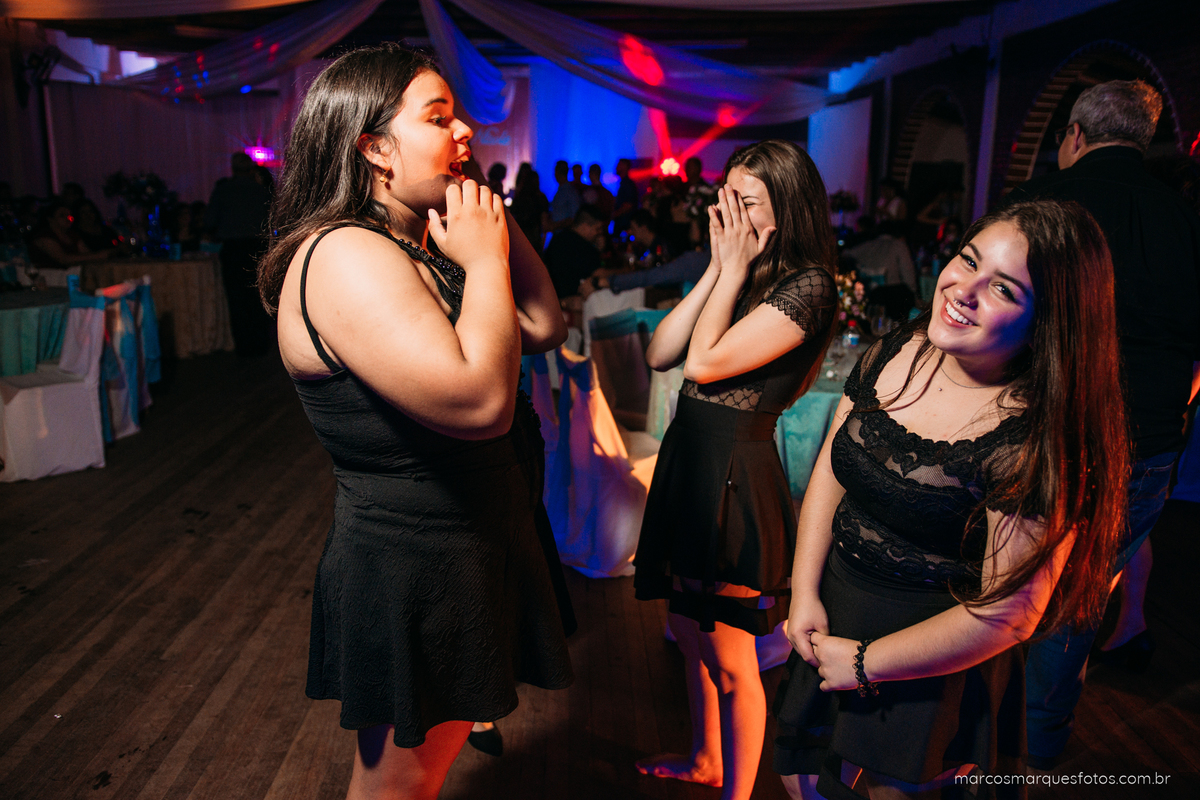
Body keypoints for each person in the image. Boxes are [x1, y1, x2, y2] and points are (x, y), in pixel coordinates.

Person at [256, 43, 573, 800]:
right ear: (375, 148)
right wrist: (485, 261)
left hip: (466, 543)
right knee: (397, 788)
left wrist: (490, 222)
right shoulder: (344, 253)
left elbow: (542, 323)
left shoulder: (415, 246)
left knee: (419, 776)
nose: (465, 131)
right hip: (417, 561)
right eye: (438, 118)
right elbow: (480, 405)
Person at [771, 199, 1129, 799]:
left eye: (1004, 289)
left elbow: (1010, 613)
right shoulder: (899, 350)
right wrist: (804, 590)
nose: (964, 290)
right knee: (798, 774)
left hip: (928, 661)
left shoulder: (1032, 439)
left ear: (1048, 323)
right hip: (833, 616)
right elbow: (832, 471)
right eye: (968, 260)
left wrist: (864, 663)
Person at [1002, 78, 1200, 768]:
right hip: (1146, 443)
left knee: (1000, 589)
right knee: (1079, 602)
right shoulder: (1186, 221)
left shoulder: (1037, 206)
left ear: (1075, 136)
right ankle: (1036, 753)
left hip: (1037, 433)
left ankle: (976, 742)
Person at [633, 140, 838, 800]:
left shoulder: (809, 286)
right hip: (690, 463)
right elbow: (662, 352)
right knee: (690, 633)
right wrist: (721, 270)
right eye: (727, 198)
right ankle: (706, 760)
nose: (728, 214)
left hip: (732, 473)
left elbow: (704, 363)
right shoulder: (741, 274)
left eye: (746, 202)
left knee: (730, 657)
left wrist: (729, 271)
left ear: (787, 207)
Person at [204, 152, 273, 356]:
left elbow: (210, 221)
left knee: (236, 299)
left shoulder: (223, 190)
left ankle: (243, 346)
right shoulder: (261, 191)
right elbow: (272, 220)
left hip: (233, 249)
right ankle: (260, 344)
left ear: (233, 169)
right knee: (257, 296)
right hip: (257, 247)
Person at [543, 204, 606, 299]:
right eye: (597, 229)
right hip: (575, 299)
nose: (599, 233)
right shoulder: (584, 246)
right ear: (585, 226)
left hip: (552, 297)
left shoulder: (557, 238)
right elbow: (598, 273)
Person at [548, 159, 581, 233]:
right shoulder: (565, 191)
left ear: (557, 172)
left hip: (565, 234)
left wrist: (555, 225)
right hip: (560, 234)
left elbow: (574, 217)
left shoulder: (569, 191)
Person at [613, 157, 639, 233]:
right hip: (622, 224)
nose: (616, 167)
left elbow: (628, 205)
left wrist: (613, 215)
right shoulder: (624, 183)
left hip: (624, 226)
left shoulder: (627, 184)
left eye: (618, 165)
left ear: (624, 166)